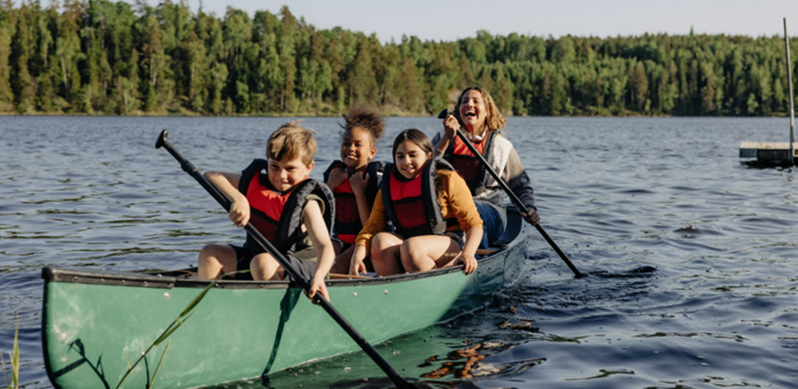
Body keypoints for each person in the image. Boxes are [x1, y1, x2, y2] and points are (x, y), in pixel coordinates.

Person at [197, 122, 336, 301]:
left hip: (305, 269)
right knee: (210, 253)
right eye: (274, 166)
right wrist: (239, 199)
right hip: (259, 262)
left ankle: (267, 314)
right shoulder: (258, 185)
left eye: (290, 168)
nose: (281, 176)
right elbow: (211, 176)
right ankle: (209, 311)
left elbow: (326, 248)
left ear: (309, 167)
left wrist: (318, 277)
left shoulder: (308, 204)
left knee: (262, 262)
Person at [349, 129, 483, 277]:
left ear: (428, 156)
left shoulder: (447, 179)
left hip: (449, 243)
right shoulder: (388, 187)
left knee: (411, 246)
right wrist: (358, 253)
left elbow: (474, 224)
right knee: (379, 241)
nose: (406, 162)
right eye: (400, 156)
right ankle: (394, 291)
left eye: (413, 155)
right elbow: (372, 227)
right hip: (410, 244)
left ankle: (434, 290)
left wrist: (468, 254)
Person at [433, 86, 540, 250]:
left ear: (487, 111)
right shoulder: (442, 138)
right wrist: (447, 139)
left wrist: (529, 207)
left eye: (476, 101)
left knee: (472, 210)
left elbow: (520, 186)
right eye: (464, 101)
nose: (469, 104)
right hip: (448, 209)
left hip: (488, 211)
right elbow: (424, 170)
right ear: (458, 111)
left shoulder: (501, 146)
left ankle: (472, 259)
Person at [322, 107, 385, 274]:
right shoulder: (334, 174)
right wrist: (331, 186)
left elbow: (370, 225)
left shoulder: (375, 178)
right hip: (340, 239)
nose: (350, 148)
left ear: (372, 152)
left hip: (366, 240)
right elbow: (320, 216)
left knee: (337, 266)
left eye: (358, 144)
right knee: (317, 259)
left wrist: (359, 192)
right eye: (346, 143)